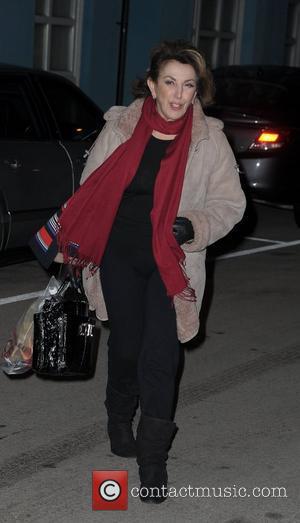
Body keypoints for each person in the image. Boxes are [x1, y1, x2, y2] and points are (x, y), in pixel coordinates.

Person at [36, 40, 246, 503]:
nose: (179, 94)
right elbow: (90, 193)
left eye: (189, 86)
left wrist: (196, 225)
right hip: (119, 256)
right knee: (127, 347)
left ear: (198, 91)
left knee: (161, 356)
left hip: (174, 261)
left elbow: (232, 205)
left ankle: (154, 461)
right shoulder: (122, 127)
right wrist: (68, 251)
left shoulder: (210, 138)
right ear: (152, 85)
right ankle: (117, 416)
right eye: (170, 83)